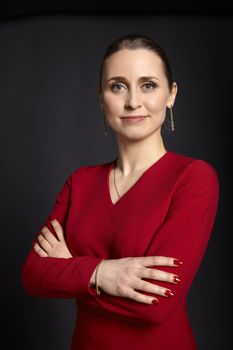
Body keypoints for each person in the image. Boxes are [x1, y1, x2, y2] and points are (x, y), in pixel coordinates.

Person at [21, 33, 220, 350]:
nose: (132, 101)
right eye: (117, 85)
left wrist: (73, 271)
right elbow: (33, 274)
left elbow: (156, 305)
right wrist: (102, 273)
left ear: (172, 94)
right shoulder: (80, 182)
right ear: (101, 96)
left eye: (148, 85)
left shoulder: (193, 177)